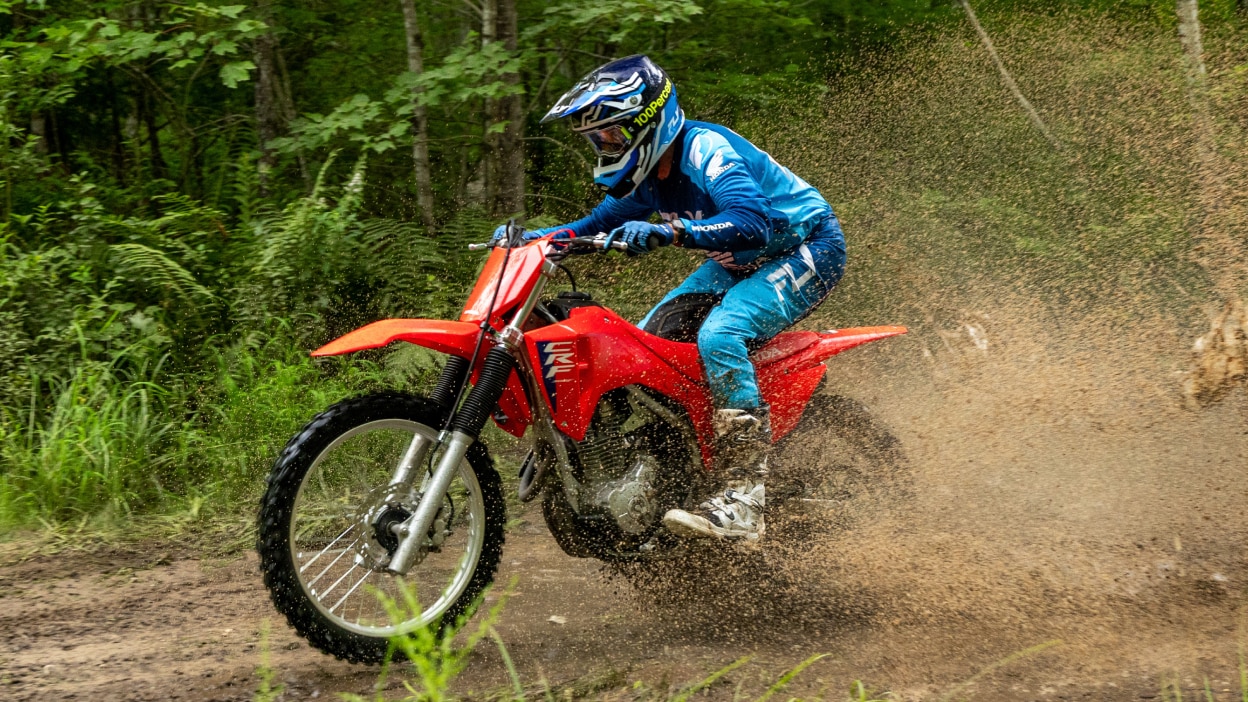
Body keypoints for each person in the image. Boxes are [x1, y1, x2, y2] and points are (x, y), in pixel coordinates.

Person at [495, 55, 846, 542]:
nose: (604, 146)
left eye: (610, 135)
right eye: (598, 139)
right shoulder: (644, 178)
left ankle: (746, 497)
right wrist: (532, 239)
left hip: (807, 247)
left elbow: (753, 222)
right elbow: (591, 227)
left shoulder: (706, 148)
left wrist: (672, 231)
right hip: (735, 260)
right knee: (647, 346)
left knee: (722, 334)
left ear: (646, 120)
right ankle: (681, 471)